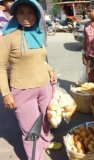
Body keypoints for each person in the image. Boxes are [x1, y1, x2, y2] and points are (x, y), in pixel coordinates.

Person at [0, 0, 57, 159]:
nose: (26, 16)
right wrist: (6, 93)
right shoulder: (8, 37)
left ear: (37, 14)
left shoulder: (37, 33)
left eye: (30, 12)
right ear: (15, 14)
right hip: (23, 90)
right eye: (21, 12)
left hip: (45, 87)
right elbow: (1, 68)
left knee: (46, 121)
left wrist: (50, 70)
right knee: (31, 130)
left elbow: (40, 59)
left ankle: (46, 144)